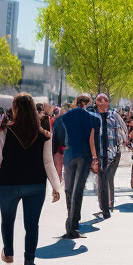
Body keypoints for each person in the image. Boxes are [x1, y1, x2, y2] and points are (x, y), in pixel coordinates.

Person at [0, 93, 63, 265]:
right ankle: (29, 263)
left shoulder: (5, 132)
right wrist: (56, 188)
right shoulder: (45, 135)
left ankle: (8, 253)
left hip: (9, 185)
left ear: (15, 109)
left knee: (7, 221)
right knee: (32, 225)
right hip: (36, 185)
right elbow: (48, 163)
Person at [52, 93, 100, 239]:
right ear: (89, 103)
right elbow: (94, 141)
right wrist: (95, 159)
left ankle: (70, 220)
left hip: (69, 155)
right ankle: (73, 224)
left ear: (75, 102)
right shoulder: (94, 119)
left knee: (69, 189)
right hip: (84, 156)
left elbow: (58, 140)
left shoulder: (63, 118)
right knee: (78, 190)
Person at [93, 94, 127, 218]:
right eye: (99, 100)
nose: (102, 102)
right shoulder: (93, 116)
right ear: (96, 103)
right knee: (102, 179)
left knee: (108, 178)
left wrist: (121, 143)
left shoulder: (114, 116)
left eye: (105, 100)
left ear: (108, 102)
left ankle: (108, 204)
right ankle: (105, 208)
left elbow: (124, 130)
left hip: (114, 153)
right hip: (100, 153)